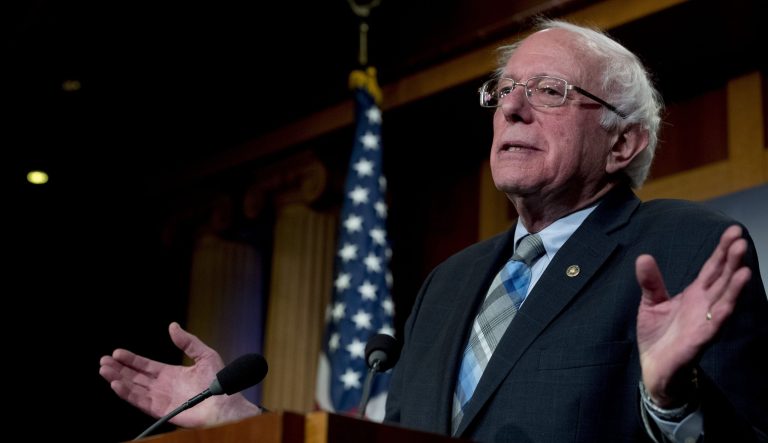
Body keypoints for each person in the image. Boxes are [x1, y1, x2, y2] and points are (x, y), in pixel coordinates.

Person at [100, 19, 768, 442]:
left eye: (550, 91)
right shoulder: (449, 284)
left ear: (622, 143)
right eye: (503, 91)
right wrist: (241, 422)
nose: (512, 108)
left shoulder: (684, 246)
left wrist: (673, 402)